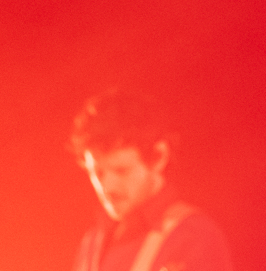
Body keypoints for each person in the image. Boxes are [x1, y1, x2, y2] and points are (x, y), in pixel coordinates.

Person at [69, 90, 234, 271]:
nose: (107, 187)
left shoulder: (195, 238)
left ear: (159, 157)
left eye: (121, 170)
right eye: (98, 172)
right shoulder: (92, 244)